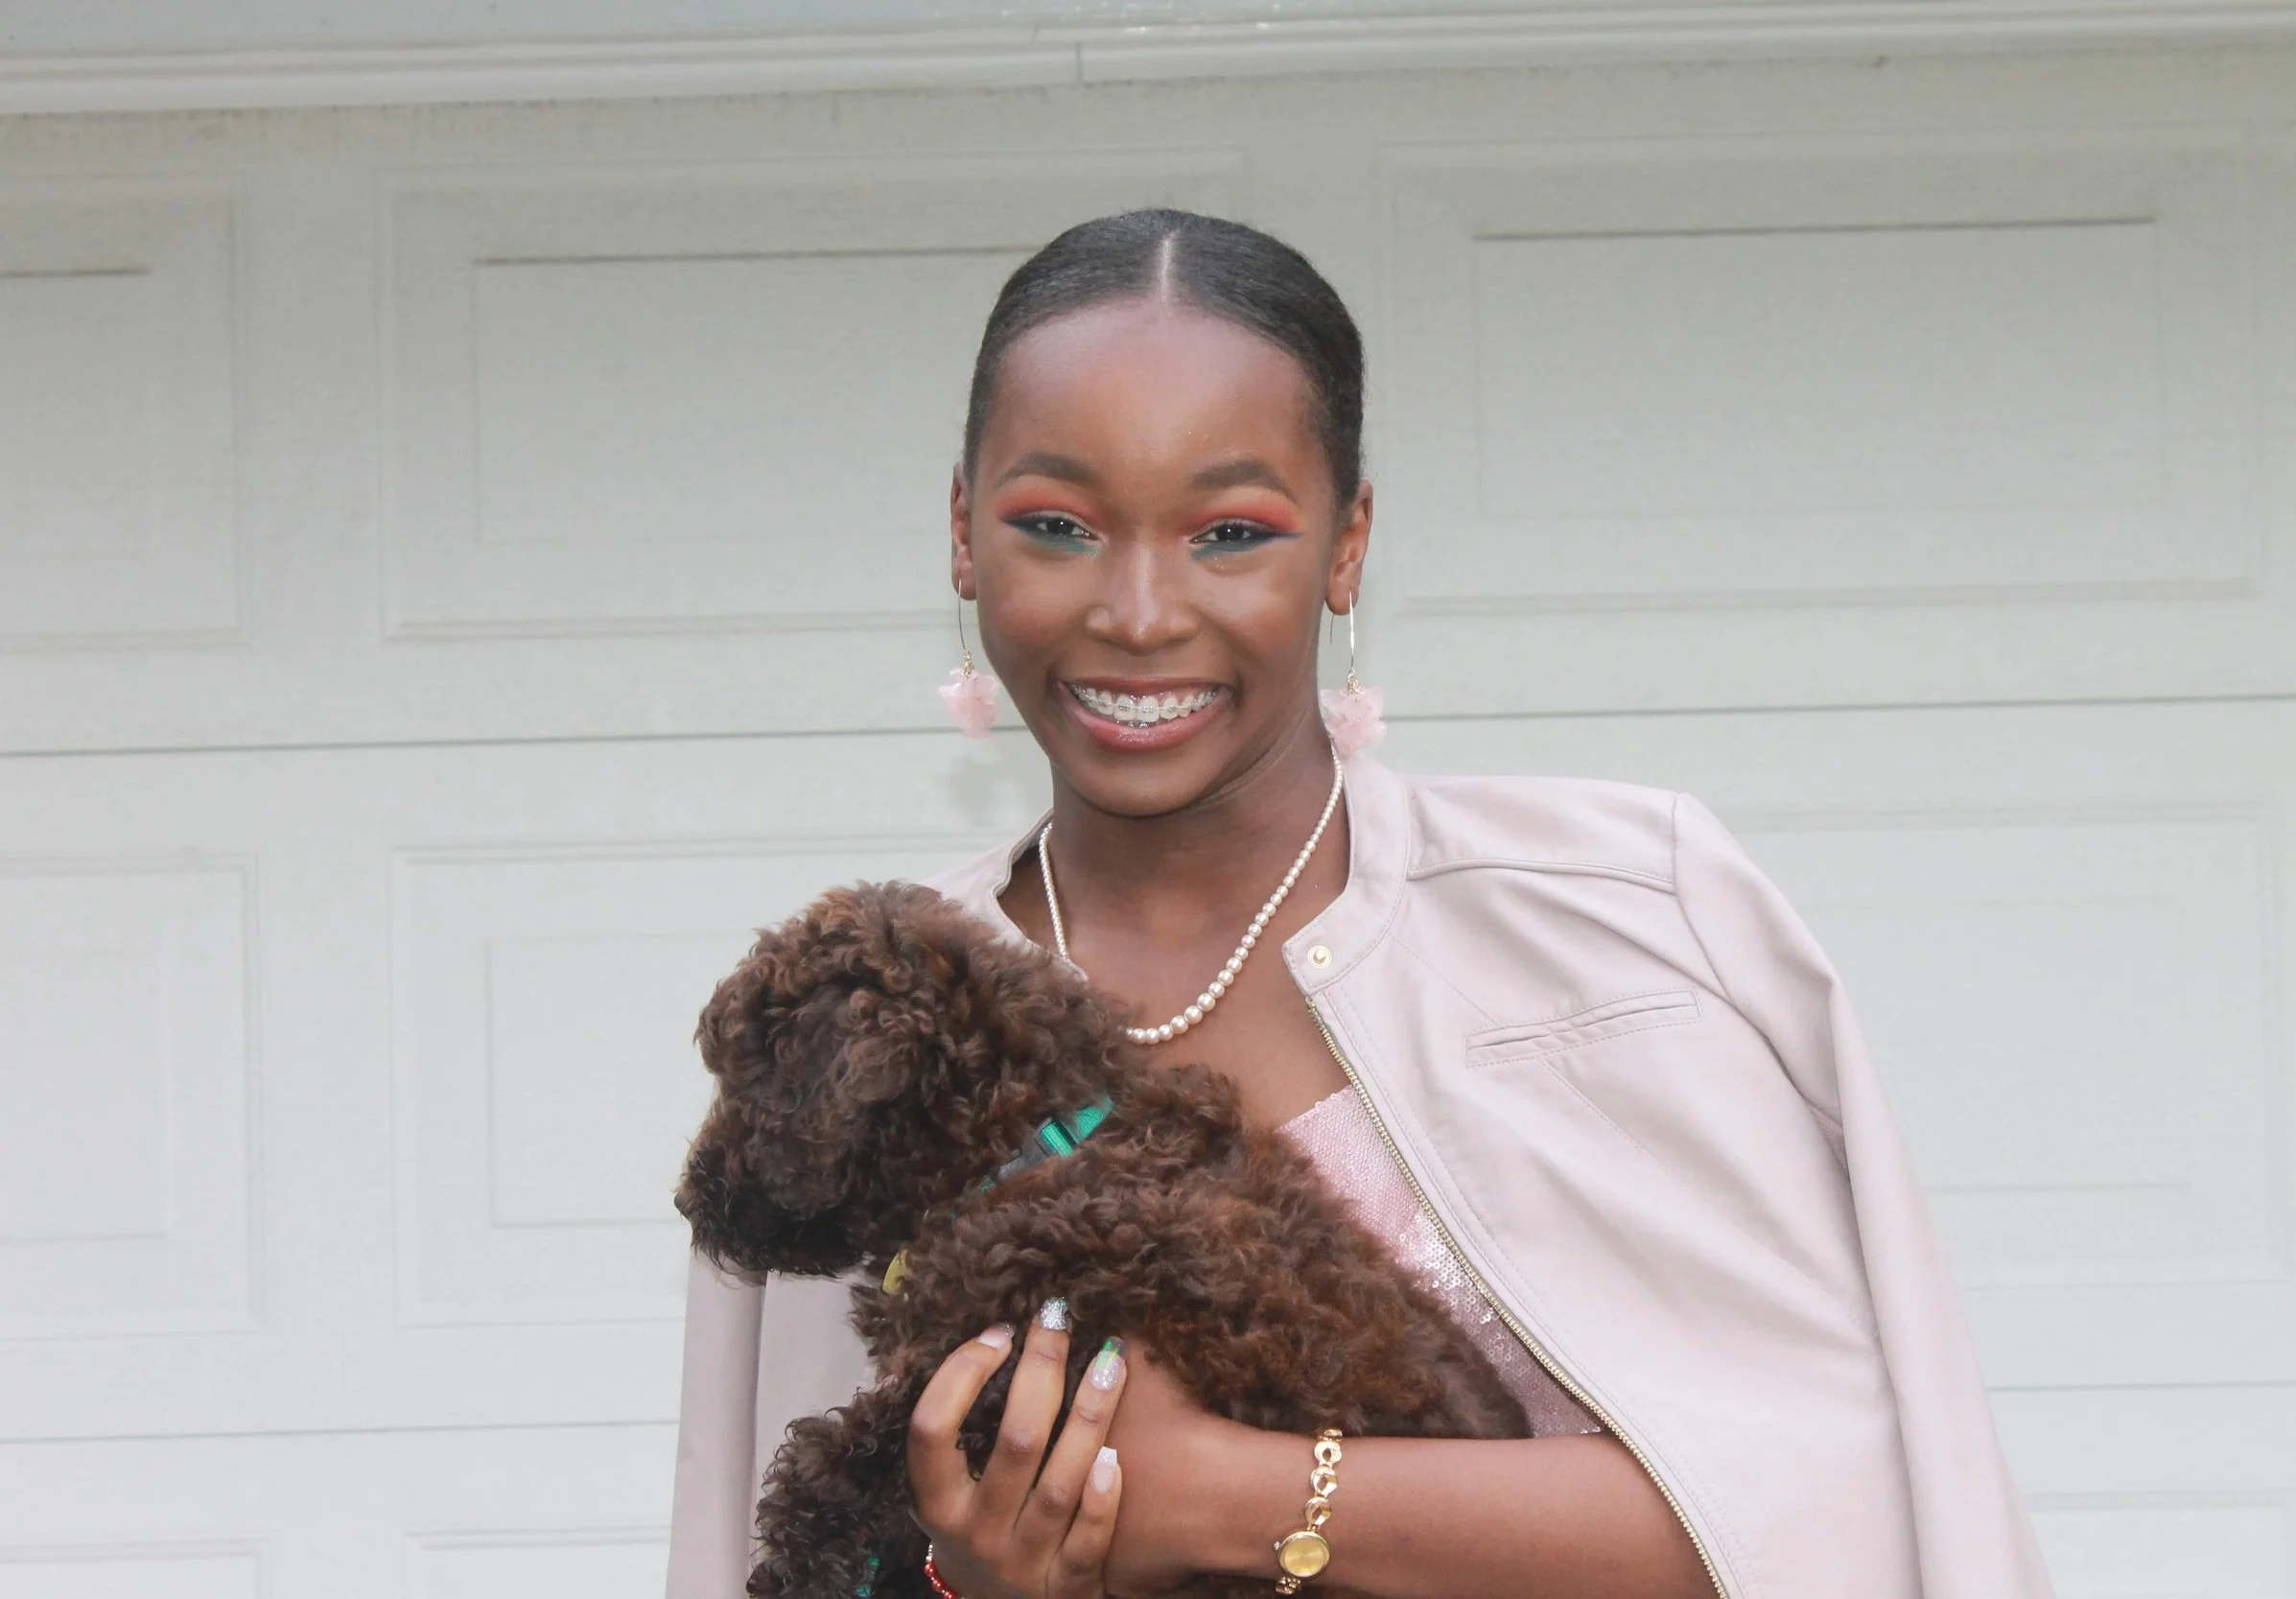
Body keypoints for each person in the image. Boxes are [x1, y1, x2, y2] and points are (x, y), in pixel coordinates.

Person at [668, 210, 2052, 1599]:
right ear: (964, 535)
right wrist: (968, 1577)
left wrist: (1226, 1494)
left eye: (1229, 532)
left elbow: (1830, 1518)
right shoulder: (868, 1044)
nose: (1139, 613)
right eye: (1057, 527)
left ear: (1348, 547)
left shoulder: (1624, 916)